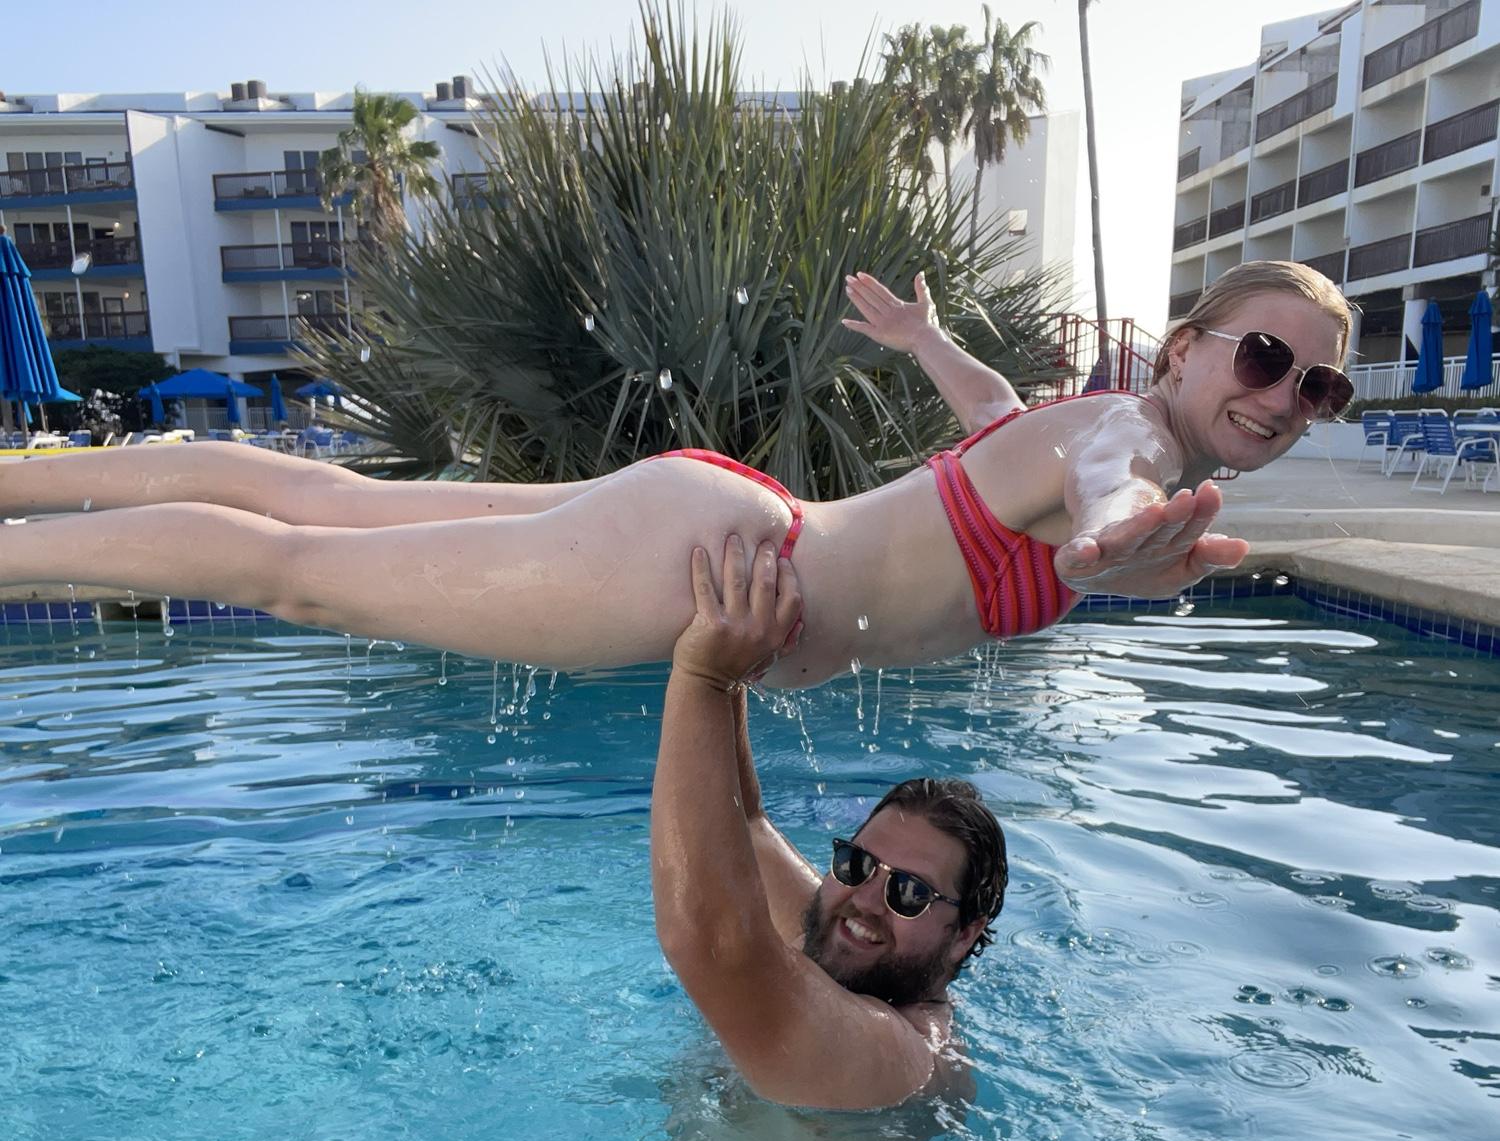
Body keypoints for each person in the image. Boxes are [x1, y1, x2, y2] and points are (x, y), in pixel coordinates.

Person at [0, 260, 1353, 689]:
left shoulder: (1078, 424)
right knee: (294, 573)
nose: (1284, 395)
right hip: (710, 567)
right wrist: (1118, 538)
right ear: (1186, 349)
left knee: (325, 506)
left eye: (1318, 387)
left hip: (714, 517)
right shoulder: (1129, 442)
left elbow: (1003, 415)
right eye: (1264, 357)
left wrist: (923, 341)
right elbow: (1112, 482)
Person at [653, 533, 1003, 1110]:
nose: (864, 901)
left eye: (909, 892)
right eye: (857, 864)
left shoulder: (898, 1056)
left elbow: (712, 942)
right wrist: (736, 666)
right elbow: (746, 827)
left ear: (964, 933)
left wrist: (702, 676)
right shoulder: (843, 940)